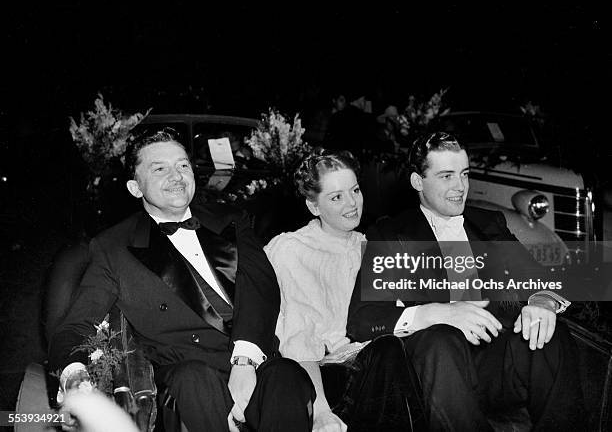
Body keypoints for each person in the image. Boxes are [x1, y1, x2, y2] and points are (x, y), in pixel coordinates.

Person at [49, 128, 314, 432]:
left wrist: (245, 363)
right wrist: (74, 378)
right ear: (136, 188)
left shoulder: (231, 219)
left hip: (250, 355)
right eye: (160, 168)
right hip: (186, 373)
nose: (177, 176)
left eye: (183, 165)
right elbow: (76, 326)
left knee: (286, 374)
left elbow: (261, 290)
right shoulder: (112, 248)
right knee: (193, 379)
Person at [347, 131, 585, 431]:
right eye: (446, 176)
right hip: (439, 370)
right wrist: (437, 312)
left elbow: (541, 279)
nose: (460, 187)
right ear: (418, 182)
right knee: (438, 339)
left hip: (497, 364)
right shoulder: (391, 234)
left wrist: (542, 301)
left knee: (549, 331)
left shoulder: (489, 223)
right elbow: (362, 319)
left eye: (464, 174)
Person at [264, 148, 427, 432]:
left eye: (355, 190)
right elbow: (299, 343)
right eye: (336, 197)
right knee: (388, 349)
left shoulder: (367, 245)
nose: (352, 203)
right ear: (314, 206)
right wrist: (321, 412)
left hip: (374, 366)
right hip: (316, 378)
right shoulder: (293, 250)